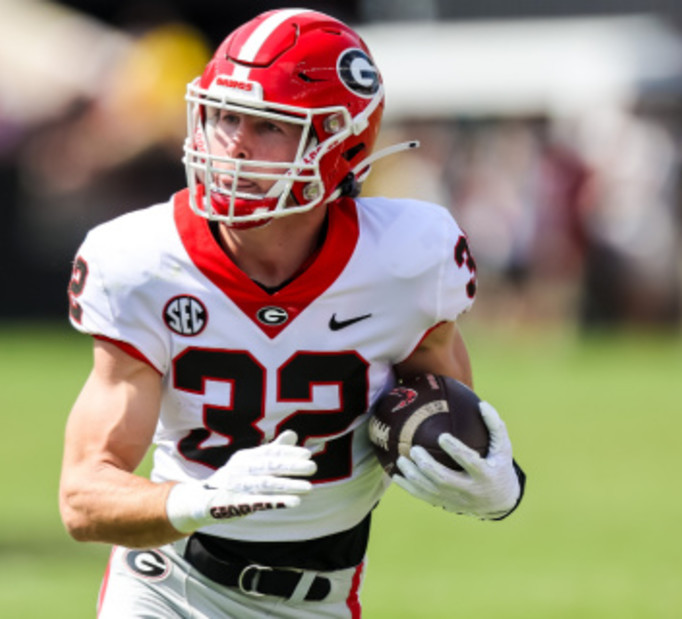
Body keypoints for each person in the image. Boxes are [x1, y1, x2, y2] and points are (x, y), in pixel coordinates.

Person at [59, 9, 526, 617]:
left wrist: (497, 484)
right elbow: (83, 495)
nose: (234, 143)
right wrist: (197, 500)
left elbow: (440, 409)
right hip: (168, 586)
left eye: (268, 125)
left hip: (322, 597)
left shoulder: (409, 257)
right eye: (225, 116)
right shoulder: (142, 259)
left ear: (341, 143)